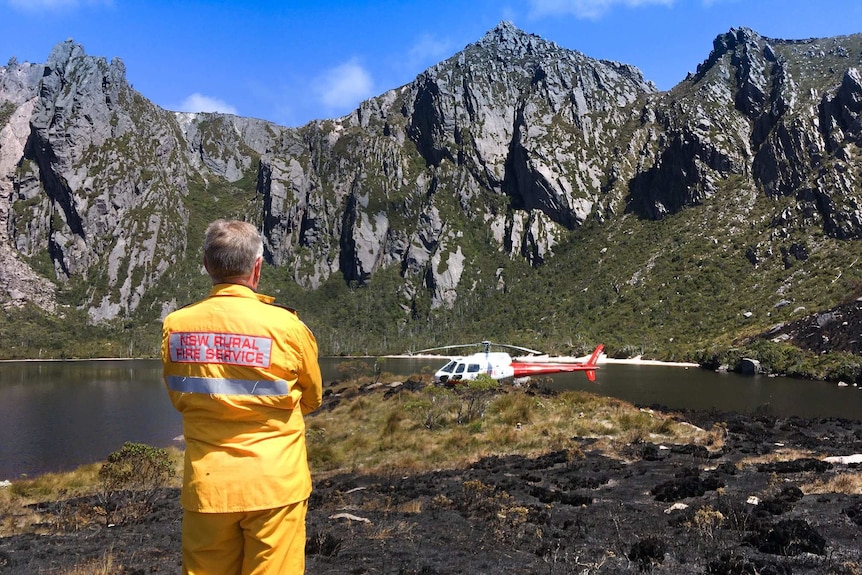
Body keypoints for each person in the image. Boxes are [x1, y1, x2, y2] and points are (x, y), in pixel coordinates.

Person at [162, 219, 323, 575]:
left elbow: (179, 396)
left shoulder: (176, 326)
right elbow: (312, 399)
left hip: (209, 486)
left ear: (207, 265)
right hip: (275, 483)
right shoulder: (287, 327)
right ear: (257, 267)